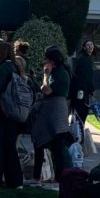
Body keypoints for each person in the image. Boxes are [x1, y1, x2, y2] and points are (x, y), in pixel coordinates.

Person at [31, 45, 73, 185]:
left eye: (46, 59)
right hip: (55, 111)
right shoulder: (61, 71)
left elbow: (46, 90)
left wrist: (45, 75)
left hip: (54, 111)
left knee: (55, 146)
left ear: (52, 60)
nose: (44, 61)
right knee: (54, 146)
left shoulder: (59, 74)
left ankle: (52, 177)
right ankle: (45, 176)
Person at [0, 40, 24, 189]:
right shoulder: (15, 66)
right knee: (10, 147)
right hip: (13, 112)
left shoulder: (3, 68)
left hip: (0, 112)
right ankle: (14, 180)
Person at [70, 40, 97, 127]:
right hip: (81, 91)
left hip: (84, 90)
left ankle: (78, 131)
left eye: (91, 44)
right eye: (88, 45)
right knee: (81, 112)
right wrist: (92, 89)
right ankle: (78, 133)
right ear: (84, 47)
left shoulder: (88, 58)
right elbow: (85, 77)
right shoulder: (83, 59)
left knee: (81, 113)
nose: (90, 46)